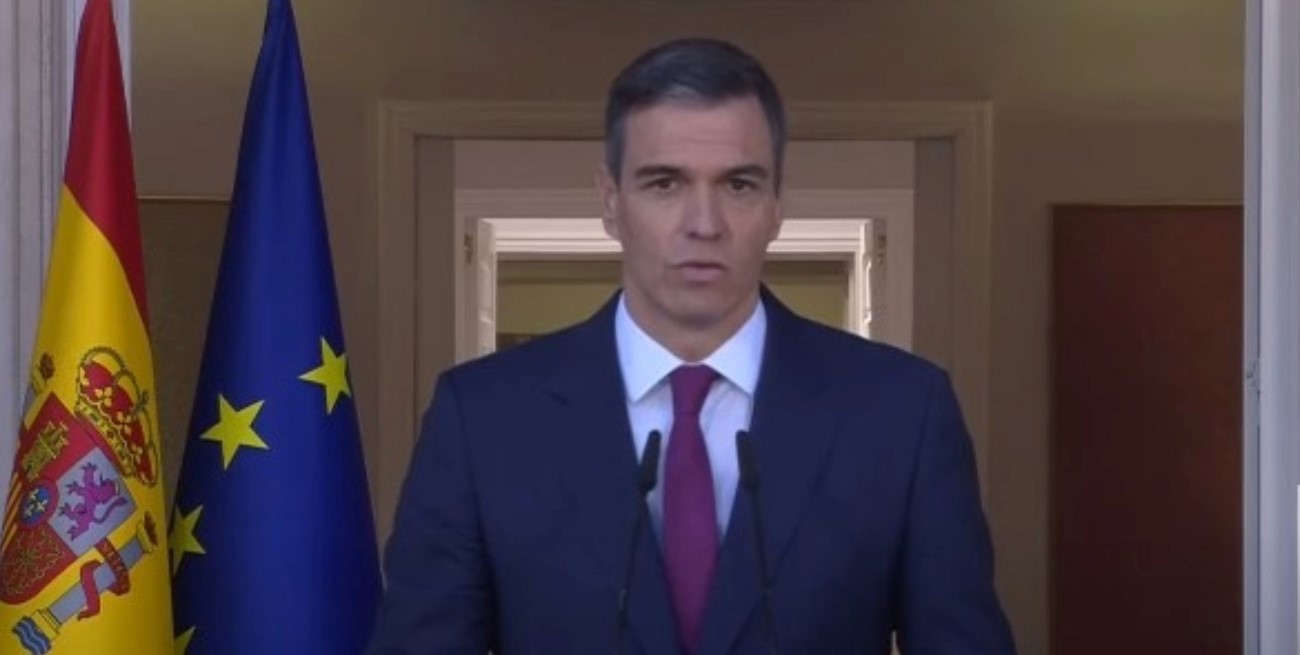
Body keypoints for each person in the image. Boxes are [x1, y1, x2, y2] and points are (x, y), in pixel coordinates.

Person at [366, 37, 1017, 655]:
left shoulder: (902, 413)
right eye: (664, 183)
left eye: (738, 185)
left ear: (777, 204)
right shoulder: (484, 419)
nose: (704, 224)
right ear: (610, 201)